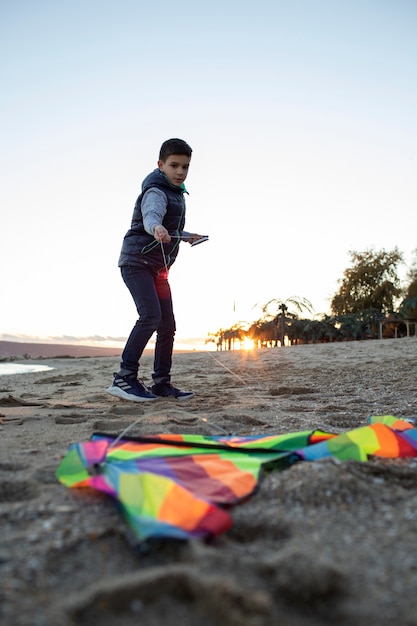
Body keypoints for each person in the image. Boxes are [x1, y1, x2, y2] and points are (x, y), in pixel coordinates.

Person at [107, 138, 205, 403]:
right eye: (174, 165)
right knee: (150, 315)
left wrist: (184, 235)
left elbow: (168, 227)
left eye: (185, 167)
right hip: (136, 262)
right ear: (161, 165)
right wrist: (156, 227)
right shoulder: (156, 191)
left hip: (158, 267)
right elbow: (151, 216)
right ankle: (124, 378)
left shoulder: (176, 193)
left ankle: (161, 383)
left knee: (167, 324)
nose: (180, 172)